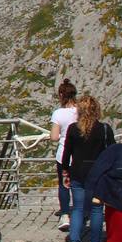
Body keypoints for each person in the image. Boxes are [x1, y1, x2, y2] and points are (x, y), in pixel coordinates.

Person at [62, 94, 113, 242]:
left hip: (77, 171)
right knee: (97, 209)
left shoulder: (72, 129)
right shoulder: (104, 129)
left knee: (77, 208)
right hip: (98, 173)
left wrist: (65, 172)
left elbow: (66, 153)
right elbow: (111, 153)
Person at [50, 80, 79, 232]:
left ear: (61, 95)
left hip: (64, 155)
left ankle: (65, 214)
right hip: (80, 154)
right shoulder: (81, 111)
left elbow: (54, 137)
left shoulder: (58, 113)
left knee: (64, 184)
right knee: (79, 185)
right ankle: (81, 213)